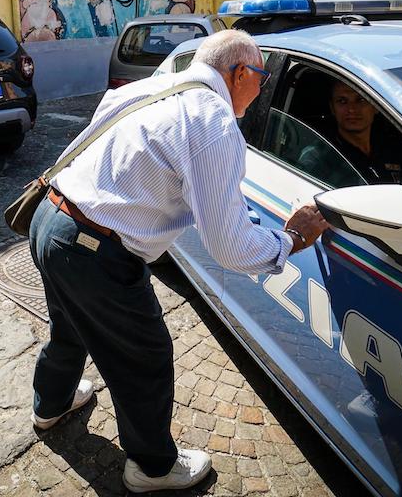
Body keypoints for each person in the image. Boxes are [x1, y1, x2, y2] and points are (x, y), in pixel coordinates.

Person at [28, 29, 330, 493]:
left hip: (50, 217)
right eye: (261, 77)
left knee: (69, 323)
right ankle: (152, 468)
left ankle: (51, 405)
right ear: (241, 72)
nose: (262, 87)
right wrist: (289, 239)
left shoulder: (151, 85)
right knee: (145, 356)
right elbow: (230, 248)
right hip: (94, 249)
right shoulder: (214, 122)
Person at [299, 81, 402, 192]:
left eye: (361, 99)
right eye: (342, 101)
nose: (352, 109)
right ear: (332, 108)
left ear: (376, 107)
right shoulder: (319, 157)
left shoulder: (395, 150)